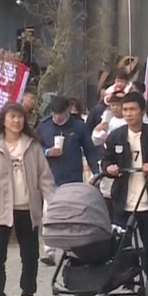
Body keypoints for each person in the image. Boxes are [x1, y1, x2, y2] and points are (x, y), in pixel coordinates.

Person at [0, 102, 56, 296]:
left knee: (30, 254)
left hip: (27, 208)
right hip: (1, 210)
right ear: (3, 119)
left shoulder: (33, 146)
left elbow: (44, 177)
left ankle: (27, 295)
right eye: (12, 117)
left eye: (20, 117)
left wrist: (54, 203)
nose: (16, 121)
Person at [101, 92, 148, 284]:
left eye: (132, 109)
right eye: (125, 110)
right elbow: (106, 159)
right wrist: (109, 168)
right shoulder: (116, 136)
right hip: (122, 199)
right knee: (121, 244)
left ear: (142, 111)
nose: (128, 114)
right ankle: (126, 282)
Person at [36, 96, 101, 266]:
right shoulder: (44, 126)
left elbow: (90, 150)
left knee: (72, 215)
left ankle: (72, 251)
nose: (57, 117)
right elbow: (34, 148)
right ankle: (49, 252)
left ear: (67, 111)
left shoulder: (78, 126)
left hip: (73, 178)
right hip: (50, 178)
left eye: (60, 113)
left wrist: (96, 172)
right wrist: (48, 152)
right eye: (54, 114)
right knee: (49, 214)